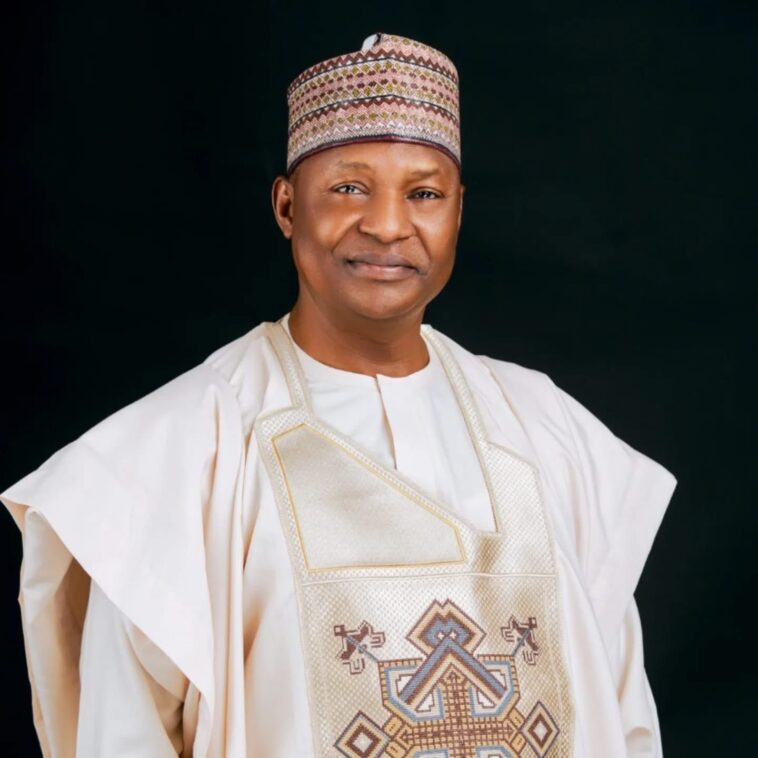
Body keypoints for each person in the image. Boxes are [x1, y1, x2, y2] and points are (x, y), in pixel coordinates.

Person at [1, 33, 676, 758]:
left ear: (458, 211)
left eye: (424, 194)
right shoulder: (183, 453)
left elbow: (622, 714)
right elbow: (122, 734)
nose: (387, 225)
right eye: (350, 188)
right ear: (287, 206)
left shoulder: (548, 431)